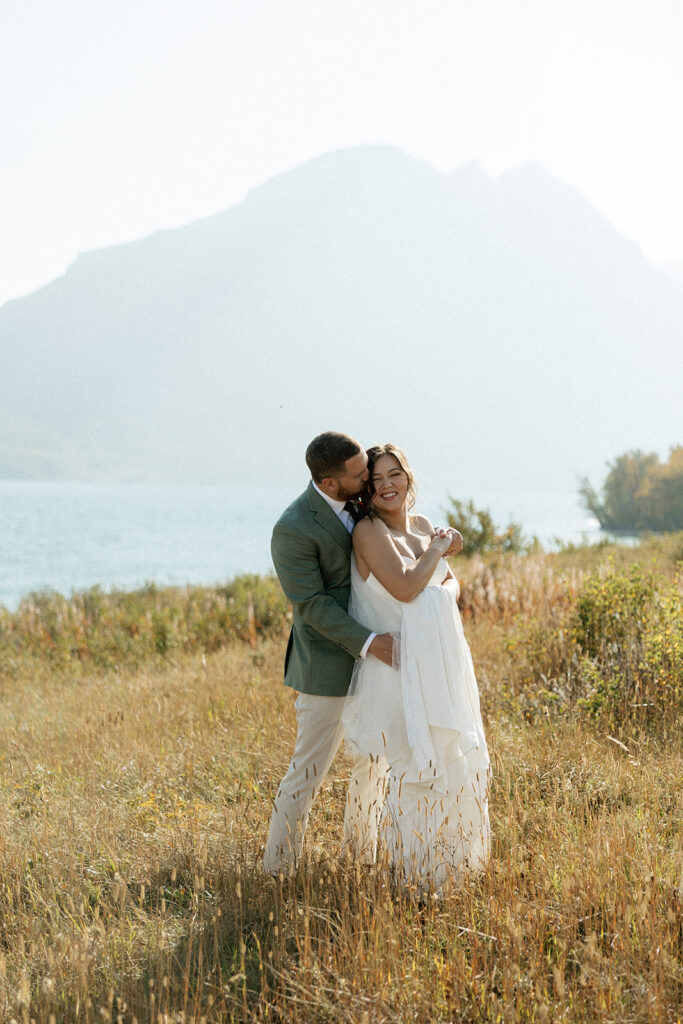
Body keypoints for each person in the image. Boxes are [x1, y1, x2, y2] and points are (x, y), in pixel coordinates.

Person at [263, 431, 460, 875]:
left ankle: (359, 855)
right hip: (330, 664)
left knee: (374, 763)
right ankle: (277, 870)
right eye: (360, 475)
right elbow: (312, 605)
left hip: (383, 663)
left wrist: (444, 546)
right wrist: (372, 643)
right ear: (329, 483)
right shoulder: (292, 528)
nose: (369, 479)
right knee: (308, 772)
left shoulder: (358, 504)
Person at [341, 443, 490, 890]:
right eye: (376, 479)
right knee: (413, 769)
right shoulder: (368, 532)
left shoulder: (423, 526)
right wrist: (440, 548)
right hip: (395, 668)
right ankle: (411, 877)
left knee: (449, 761)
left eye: (395, 474)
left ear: (408, 476)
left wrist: (440, 583)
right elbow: (406, 589)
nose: (387, 485)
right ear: (367, 490)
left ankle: (452, 869)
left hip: (435, 663)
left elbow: (451, 584)